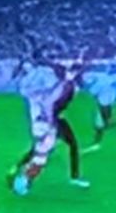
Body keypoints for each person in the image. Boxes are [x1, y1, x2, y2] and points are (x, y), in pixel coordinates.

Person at [8, 53, 87, 195]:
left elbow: (48, 97)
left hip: (41, 123)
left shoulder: (29, 86)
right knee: (40, 157)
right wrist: (66, 81)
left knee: (40, 153)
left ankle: (20, 176)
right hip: (46, 124)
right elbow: (50, 101)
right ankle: (22, 182)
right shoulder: (46, 86)